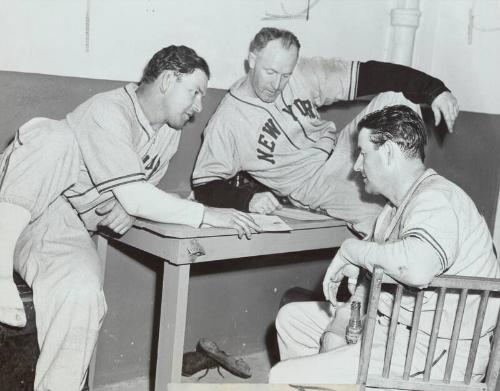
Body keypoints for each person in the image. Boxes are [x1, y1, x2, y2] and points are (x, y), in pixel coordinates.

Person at [0, 45, 259, 391]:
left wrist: (128, 203)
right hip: (16, 202)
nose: (199, 106)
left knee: (83, 295)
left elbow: (137, 193)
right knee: (53, 135)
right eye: (194, 92)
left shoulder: (169, 133)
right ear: (168, 79)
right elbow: (136, 194)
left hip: (61, 222)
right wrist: (206, 214)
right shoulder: (107, 110)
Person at [268, 105, 500, 384]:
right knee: (291, 320)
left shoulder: (437, 199)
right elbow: (370, 283)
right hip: (394, 330)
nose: (356, 166)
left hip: (437, 354)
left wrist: (351, 249)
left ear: (388, 152)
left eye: (363, 154)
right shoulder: (393, 210)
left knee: (281, 376)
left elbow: (416, 269)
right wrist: (338, 325)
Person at [192, 27, 459, 237]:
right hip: (315, 186)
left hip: (347, 149)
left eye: (285, 74)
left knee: (397, 97)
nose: (277, 84)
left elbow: (371, 74)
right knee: (386, 226)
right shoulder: (227, 121)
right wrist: (247, 199)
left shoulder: (302, 73)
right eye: (270, 72)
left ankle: (415, 189)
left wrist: (433, 90)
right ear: (251, 60)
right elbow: (204, 184)